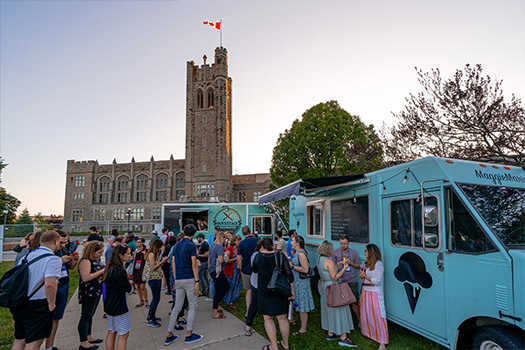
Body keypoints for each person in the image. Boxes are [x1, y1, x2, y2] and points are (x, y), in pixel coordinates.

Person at [9, 230, 62, 350]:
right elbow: (49, 284)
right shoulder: (53, 259)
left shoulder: (28, 256)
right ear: (55, 242)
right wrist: (52, 303)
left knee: (19, 339)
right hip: (38, 304)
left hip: (20, 301)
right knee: (33, 341)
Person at [164, 224, 204, 345]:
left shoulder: (177, 245)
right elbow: (194, 264)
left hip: (179, 279)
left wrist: (175, 279)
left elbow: (174, 263)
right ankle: (189, 334)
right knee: (192, 306)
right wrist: (197, 281)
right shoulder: (191, 245)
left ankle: (169, 334)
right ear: (193, 234)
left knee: (177, 306)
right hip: (189, 278)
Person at [252, 237, 294, 350]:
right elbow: (289, 275)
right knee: (282, 318)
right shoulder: (280, 256)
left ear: (262, 246)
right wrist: (292, 291)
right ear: (272, 245)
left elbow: (254, 270)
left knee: (268, 318)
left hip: (264, 291)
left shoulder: (257, 256)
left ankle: (274, 346)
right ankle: (285, 344)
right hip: (280, 289)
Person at [317, 241, 357, 348]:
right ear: (328, 250)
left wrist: (337, 265)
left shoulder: (319, 259)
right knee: (340, 309)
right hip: (333, 287)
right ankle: (343, 337)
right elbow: (335, 277)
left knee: (328, 310)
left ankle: (331, 333)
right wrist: (343, 268)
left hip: (325, 286)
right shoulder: (328, 262)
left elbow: (327, 271)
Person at [44, 230, 80, 350]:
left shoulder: (62, 250)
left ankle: (50, 346)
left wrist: (74, 261)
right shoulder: (47, 253)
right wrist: (60, 261)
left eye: (66, 242)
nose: (63, 245)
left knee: (56, 318)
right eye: (61, 242)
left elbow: (69, 268)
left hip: (63, 286)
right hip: (52, 287)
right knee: (46, 319)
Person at [103, 244, 133, 350]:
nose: (130, 255)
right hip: (119, 306)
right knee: (123, 334)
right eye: (128, 253)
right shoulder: (119, 271)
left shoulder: (110, 268)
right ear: (121, 255)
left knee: (112, 331)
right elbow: (128, 288)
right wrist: (130, 282)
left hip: (110, 305)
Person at [77, 241, 106, 350]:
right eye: (99, 252)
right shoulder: (85, 261)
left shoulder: (94, 260)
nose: (101, 254)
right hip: (88, 292)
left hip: (96, 291)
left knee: (90, 315)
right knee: (85, 316)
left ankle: (88, 336)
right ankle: (83, 341)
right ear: (92, 251)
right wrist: (102, 271)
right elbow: (86, 278)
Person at [359, 244, 388, 350]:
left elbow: (377, 280)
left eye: (366, 251)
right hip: (366, 291)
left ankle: (382, 342)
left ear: (371, 252)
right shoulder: (367, 264)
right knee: (367, 314)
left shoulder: (378, 264)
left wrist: (365, 276)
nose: (364, 252)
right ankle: (370, 334)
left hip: (374, 292)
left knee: (378, 315)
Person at [332, 235, 361, 326]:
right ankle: (344, 323)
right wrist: (338, 263)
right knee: (341, 302)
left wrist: (350, 263)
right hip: (340, 280)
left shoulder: (353, 253)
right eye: (341, 243)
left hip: (351, 280)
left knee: (354, 302)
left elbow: (358, 265)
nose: (342, 245)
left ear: (348, 243)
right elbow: (332, 266)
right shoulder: (335, 253)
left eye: (344, 243)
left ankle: (360, 322)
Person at [290, 235, 315, 336]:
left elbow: (305, 269)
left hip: (302, 283)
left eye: (292, 241)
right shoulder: (298, 253)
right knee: (299, 303)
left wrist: (292, 266)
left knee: (303, 304)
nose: (291, 242)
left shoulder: (301, 254)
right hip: (297, 282)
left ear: (297, 243)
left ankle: (303, 328)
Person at [143, 239, 168, 327]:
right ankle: (150, 318)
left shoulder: (154, 254)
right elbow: (153, 267)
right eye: (161, 247)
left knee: (156, 298)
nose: (162, 248)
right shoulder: (151, 254)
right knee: (155, 299)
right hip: (153, 279)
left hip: (156, 278)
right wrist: (162, 262)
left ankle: (152, 316)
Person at [237, 225, 259, 314]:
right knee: (257, 290)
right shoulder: (257, 241)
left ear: (242, 233)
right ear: (250, 231)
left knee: (249, 290)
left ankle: (248, 311)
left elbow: (239, 258)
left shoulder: (241, 243)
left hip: (246, 269)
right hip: (257, 269)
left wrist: (241, 268)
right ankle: (259, 309)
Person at [244, 239, 263, 337]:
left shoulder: (273, 255)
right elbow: (254, 269)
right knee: (254, 303)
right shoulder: (256, 255)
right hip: (256, 283)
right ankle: (248, 325)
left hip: (266, 285)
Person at [208, 231, 229, 319]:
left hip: (212, 269)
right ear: (223, 238)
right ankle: (215, 311)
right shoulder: (220, 247)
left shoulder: (212, 246)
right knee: (220, 289)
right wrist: (226, 255)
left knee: (225, 286)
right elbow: (221, 260)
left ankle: (217, 304)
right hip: (218, 270)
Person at [223, 234, 241, 308]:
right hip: (230, 269)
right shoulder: (229, 249)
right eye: (238, 240)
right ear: (234, 241)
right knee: (230, 285)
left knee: (236, 284)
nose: (239, 242)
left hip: (237, 269)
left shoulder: (239, 248)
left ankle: (233, 298)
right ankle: (228, 300)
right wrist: (236, 259)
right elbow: (226, 261)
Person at [131, 238, 148, 308]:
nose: (138, 244)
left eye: (140, 242)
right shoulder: (135, 251)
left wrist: (145, 255)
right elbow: (131, 260)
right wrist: (132, 255)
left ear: (143, 243)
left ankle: (146, 300)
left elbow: (148, 260)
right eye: (137, 242)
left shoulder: (145, 250)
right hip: (135, 269)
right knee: (137, 286)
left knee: (143, 286)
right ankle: (141, 300)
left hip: (142, 269)